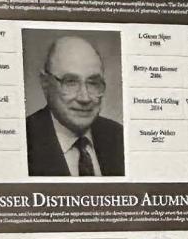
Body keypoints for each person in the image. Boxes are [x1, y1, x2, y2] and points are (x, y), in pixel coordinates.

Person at [25, 34, 126, 177]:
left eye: (93, 83)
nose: (84, 98)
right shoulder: (24, 140)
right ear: (45, 83)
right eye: (70, 82)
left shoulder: (118, 137)